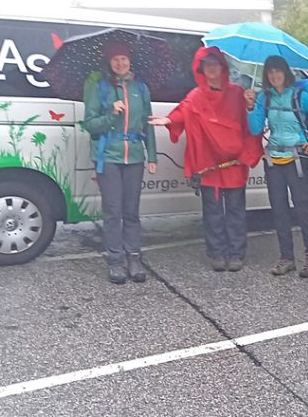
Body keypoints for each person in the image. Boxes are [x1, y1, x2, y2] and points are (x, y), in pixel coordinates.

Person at [149, 46, 263, 272]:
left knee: (235, 210)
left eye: (215, 64)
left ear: (222, 67)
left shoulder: (238, 93)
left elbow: (253, 125)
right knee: (212, 211)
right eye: (207, 65)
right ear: (201, 69)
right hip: (209, 164)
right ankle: (217, 253)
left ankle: (237, 253)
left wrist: (251, 105)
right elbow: (182, 112)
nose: (211, 68)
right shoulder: (196, 95)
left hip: (234, 164)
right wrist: (169, 121)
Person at [245, 55, 308, 278]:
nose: (274, 75)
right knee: (279, 209)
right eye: (270, 72)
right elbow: (255, 129)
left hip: (297, 159)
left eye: (278, 71)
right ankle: (286, 258)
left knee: (303, 208)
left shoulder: (299, 96)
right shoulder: (264, 97)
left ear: (285, 72)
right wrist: (251, 107)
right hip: (274, 160)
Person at [81, 40, 158, 284]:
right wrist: (111, 113)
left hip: (134, 155)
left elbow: (148, 122)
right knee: (113, 211)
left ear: (130, 61)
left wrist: (152, 155)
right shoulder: (99, 88)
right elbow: (90, 124)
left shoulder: (141, 88)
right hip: (109, 156)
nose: (120, 63)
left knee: (131, 212)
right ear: (109, 62)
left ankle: (134, 257)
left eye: (123, 59)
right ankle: (115, 260)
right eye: (115, 59)